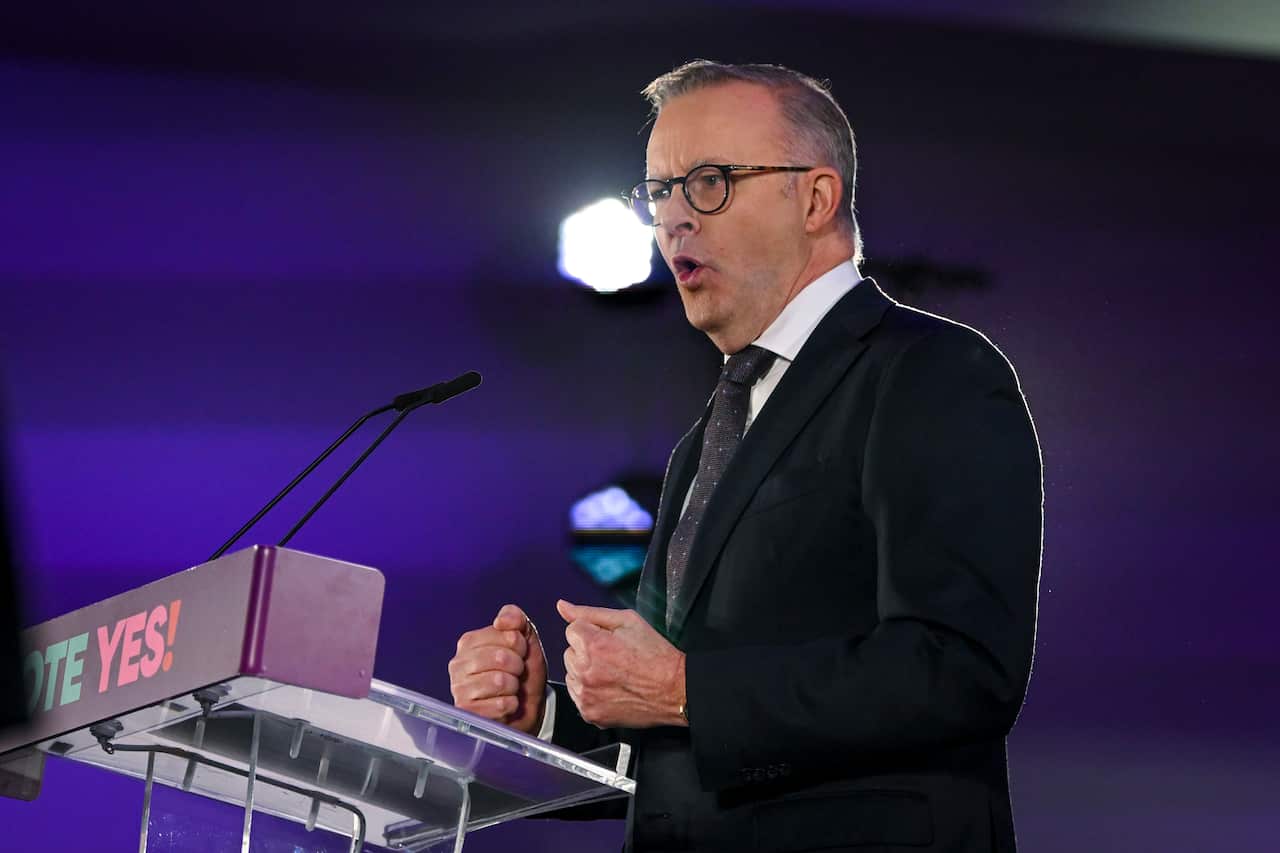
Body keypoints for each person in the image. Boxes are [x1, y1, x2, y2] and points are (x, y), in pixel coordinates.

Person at [449, 60, 1042, 853]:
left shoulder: (931, 373)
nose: (674, 221)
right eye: (659, 192)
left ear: (816, 198)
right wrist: (545, 719)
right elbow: (686, 741)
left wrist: (684, 689)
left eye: (711, 182)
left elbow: (960, 669)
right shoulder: (710, 434)